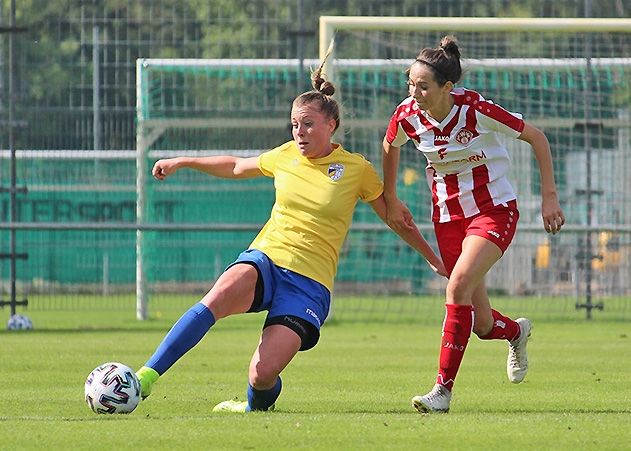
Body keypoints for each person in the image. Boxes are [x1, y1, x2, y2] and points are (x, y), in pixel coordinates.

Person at [134, 59, 447, 414]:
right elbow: (237, 165)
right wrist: (183, 161)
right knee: (218, 295)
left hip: (309, 284)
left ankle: (252, 408)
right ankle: (144, 378)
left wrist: (432, 258)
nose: (299, 131)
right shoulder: (285, 155)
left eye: (308, 124)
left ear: (331, 125)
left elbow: (395, 218)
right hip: (267, 258)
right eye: (295, 124)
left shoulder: (357, 170)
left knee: (261, 375)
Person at [382, 36, 565, 413]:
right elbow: (390, 145)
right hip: (447, 218)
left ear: (447, 88)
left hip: (494, 211)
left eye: (422, 86)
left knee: (458, 286)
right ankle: (516, 332)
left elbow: (537, 138)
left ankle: (442, 392)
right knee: (481, 325)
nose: (413, 92)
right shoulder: (407, 115)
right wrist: (391, 195)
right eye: (409, 83)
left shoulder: (474, 108)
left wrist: (549, 197)